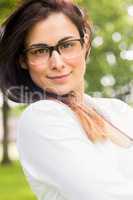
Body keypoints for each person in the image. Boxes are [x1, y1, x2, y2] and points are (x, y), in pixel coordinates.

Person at [0, 0, 133, 199]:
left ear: (85, 43)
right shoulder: (42, 118)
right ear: (23, 60)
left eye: (67, 45)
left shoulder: (117, 109)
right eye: (40, 51)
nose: (57, 63)